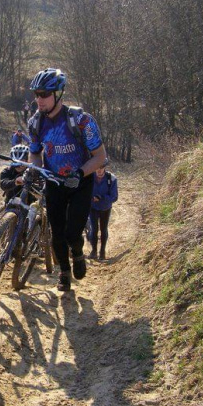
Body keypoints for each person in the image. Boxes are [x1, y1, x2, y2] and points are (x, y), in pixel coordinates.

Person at [28, 68, 107, 291]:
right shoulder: (36, 123)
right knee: (57, 233)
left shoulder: (81, 121)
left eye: (44, 94)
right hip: (54, 182)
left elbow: (100, 157)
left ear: (58, 94)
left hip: (81, 181)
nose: (39, 100)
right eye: (36, 94)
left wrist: (80, 173)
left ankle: (78, 252)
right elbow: (34, 152)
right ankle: (64, 271)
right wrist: (36, 169)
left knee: (73, 232)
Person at [88, 163, 118, 260]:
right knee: (94, 229)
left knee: (103, 229)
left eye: (101, 168)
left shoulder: (111, 179)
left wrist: (101, 198)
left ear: (105, 167)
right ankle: (94, 251)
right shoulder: (89, 177)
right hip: (92, 207)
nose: (99, 170)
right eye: (97, 168)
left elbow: (114, 197)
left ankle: (102, 251)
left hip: (105, 208)